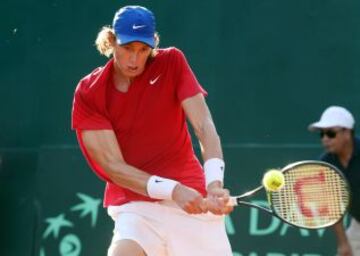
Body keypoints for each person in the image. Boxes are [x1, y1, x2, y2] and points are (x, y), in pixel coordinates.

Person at [71, 5, 233, 256]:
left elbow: (204, 126)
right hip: (136, 206)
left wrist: (213, 184)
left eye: (143, 50)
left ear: (153, 45)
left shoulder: (172, 62)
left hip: (194, 201)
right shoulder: (89, 92)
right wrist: (172, 190)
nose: (134, 60)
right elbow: (113, 166)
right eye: (127, 49)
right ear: (112, 42)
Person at [308, 106, 360, 256]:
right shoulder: (326, 163)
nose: (325, 139)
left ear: (347, 133)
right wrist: (343, 243)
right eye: (322, 134)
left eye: (331, 133)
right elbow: (333, 207)